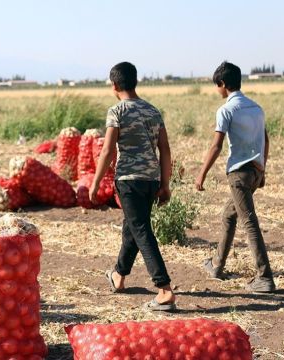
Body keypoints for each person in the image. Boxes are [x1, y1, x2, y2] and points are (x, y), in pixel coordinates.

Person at [90, 61, 175, 311]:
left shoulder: (117, 111)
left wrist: (95, 184)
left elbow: (107, 150)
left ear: (114, 85)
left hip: (129, 180)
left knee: (140, 229)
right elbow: (165, 149)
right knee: (132, 227)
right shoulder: (152, 111)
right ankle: (118, 275)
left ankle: (164, 289)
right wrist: (165, 183)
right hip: (151, 179)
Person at [195, 61, 275, 293]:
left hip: (239, 175)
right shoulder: (256, 108)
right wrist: (262, 170)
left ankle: (265, 277)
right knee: (229, 215)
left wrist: (201, 174)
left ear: (222, 84)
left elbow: (216, 145)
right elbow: (266, 140)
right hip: (255, 172)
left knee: (249, 222)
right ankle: (217, 265)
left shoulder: (226, 110)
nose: (216, 90)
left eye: (216, 86)